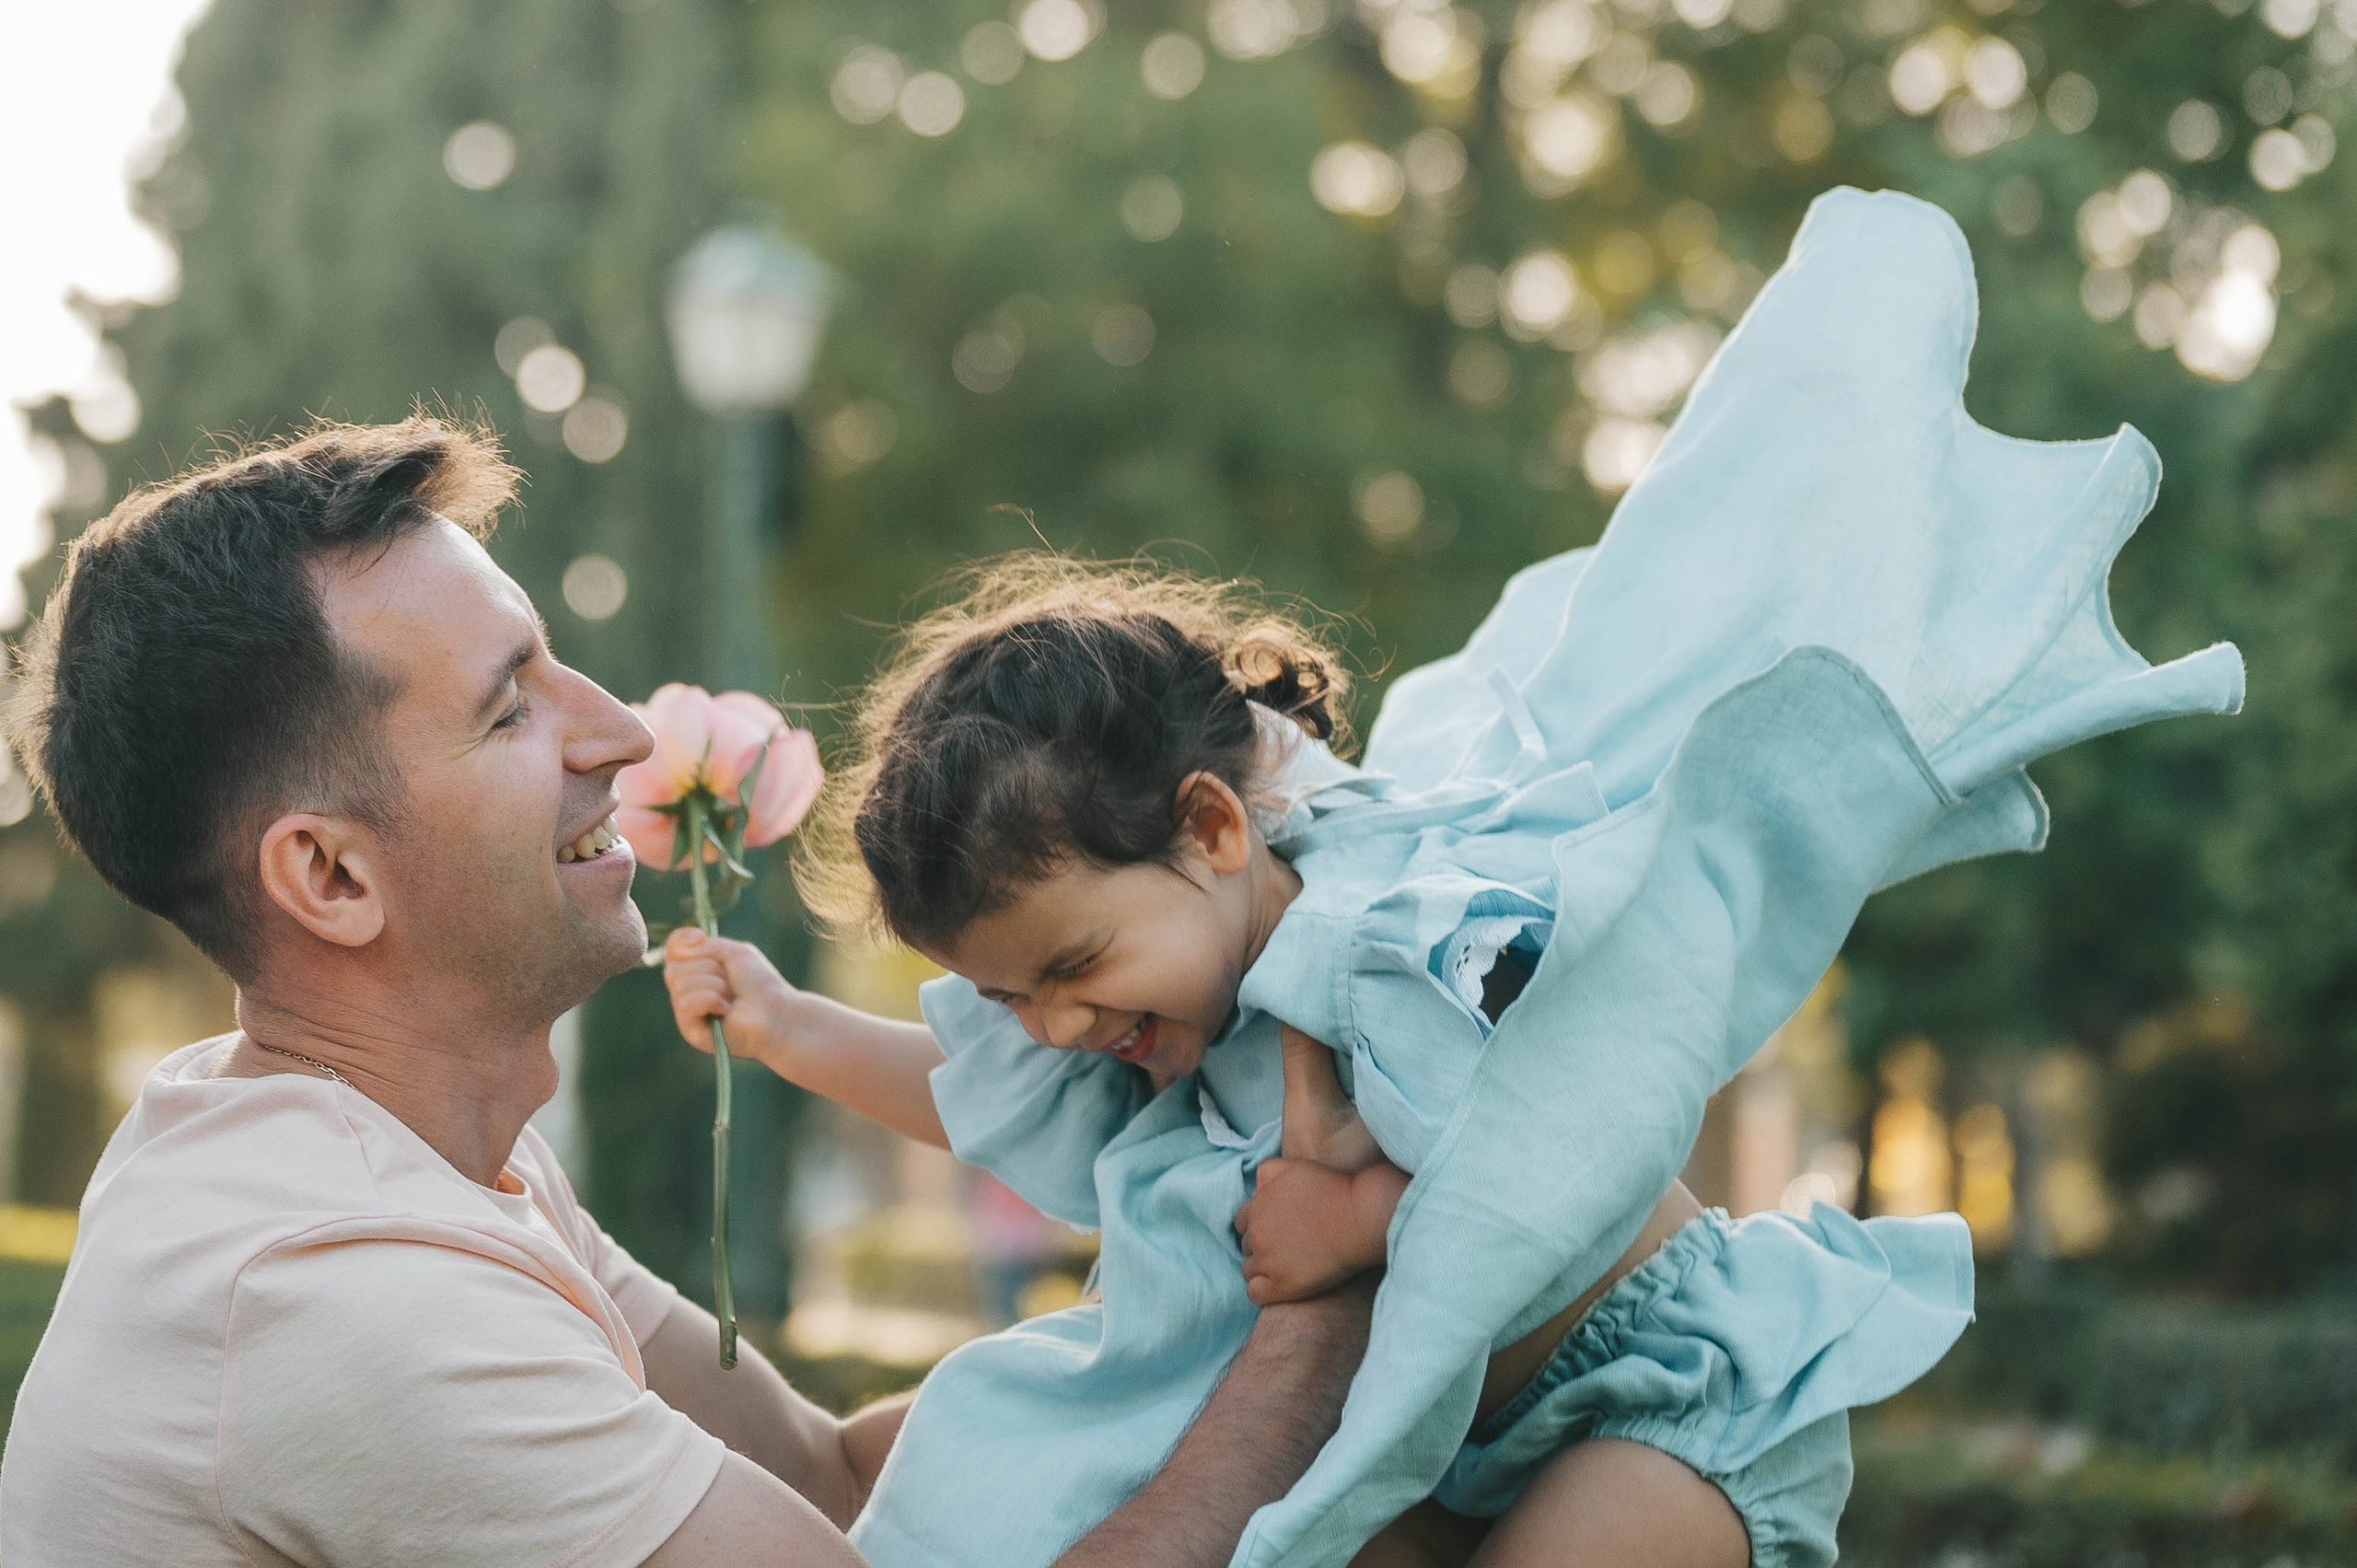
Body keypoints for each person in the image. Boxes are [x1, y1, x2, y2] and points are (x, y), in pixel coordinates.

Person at [660, 188, 2246, 1568]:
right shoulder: (1159, 1019)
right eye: (1019, 993)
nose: (1059, 1024)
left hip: (1646, 1391)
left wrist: (1363, 1223)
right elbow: (979, 1091)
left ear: (1214, 830)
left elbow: (1572, 1122)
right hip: (1421, 1441)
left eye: (1073, 969)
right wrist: (794, 1030)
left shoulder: (1397, 925)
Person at [0, 419, 1379, 1568]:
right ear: (331, 877)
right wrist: (1330, 1306)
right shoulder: (345, 1297)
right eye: (510, 708)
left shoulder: (405, 1172)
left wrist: (1183, 1309)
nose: (623, 732)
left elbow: (829, 1474)